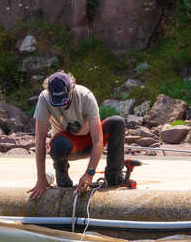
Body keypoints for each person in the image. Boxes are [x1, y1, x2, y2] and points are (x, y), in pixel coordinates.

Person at [28, 71, 125, 199]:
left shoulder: (85, 96)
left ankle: (114, 175)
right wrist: (41, 179)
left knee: (117, 122)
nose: (63, 105)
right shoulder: (44, 99)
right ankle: (62, 174)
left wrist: (89, 173)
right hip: (66, 147)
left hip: (89, 142)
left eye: (64, 100)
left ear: (71, 89)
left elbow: (97, 141)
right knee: (59, 143)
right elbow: (40, 142)